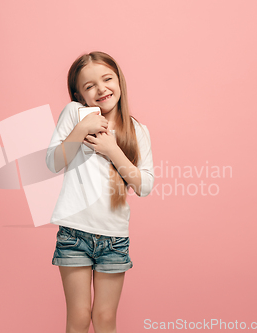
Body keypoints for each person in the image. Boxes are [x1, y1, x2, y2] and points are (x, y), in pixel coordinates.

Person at [45, 51, 154, 333]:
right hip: (74, 233)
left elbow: (144, 186)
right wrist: (82, 128)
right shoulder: (74, 113)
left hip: (114, 238)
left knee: (105, 318)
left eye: (107, 79)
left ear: (119, 81)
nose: (101, 89)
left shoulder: (137, 130)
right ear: (79, 95)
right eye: (90, 86)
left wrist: (112, 150)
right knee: (79, 318)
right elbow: (53, 163)